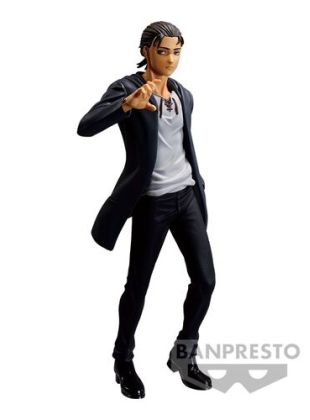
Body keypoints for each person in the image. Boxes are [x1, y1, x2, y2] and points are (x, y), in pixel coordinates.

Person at [77, 21, 216, 399]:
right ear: (145, 51)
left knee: (205, 280)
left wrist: (196, 186)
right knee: (137, 286)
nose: (170, 59)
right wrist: (126, 106)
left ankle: (183, 355)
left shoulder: (184, 94)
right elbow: (85, 126)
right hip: (152, 201)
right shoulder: (127, 88)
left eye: (177, 52)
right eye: (162, 51)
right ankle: (122, 359)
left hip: (186, 196)